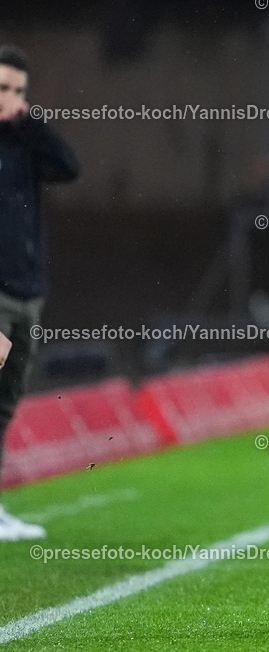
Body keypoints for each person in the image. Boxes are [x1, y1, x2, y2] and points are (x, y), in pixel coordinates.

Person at [0, 44, 80, 541]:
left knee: (6, 403)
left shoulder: (25, 144)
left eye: (19, 91)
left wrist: (31, 122)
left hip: (28, 291)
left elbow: (70, 167)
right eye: (3, 88)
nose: (11, 99)